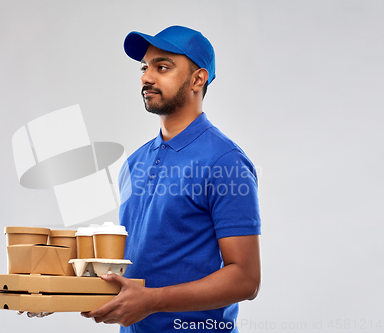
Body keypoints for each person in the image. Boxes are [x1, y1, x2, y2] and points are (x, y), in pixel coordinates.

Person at [82, 25, 261, 332]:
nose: (146, 77)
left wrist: (153, 300)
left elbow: (245, 279)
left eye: (162, 67)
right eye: (144, 67)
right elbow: (135, 265)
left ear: (197, 79)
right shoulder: (134, 163)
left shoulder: (225, 161)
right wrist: (57, 296)